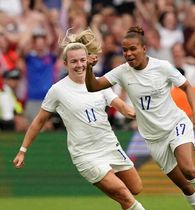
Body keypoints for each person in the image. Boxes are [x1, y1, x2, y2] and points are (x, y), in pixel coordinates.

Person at [85, 26, 195, 210]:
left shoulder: (162, 67)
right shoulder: (122, 72)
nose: (128, 53)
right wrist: (89, 68)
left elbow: (187, 86)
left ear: (144, 48)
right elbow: (93, 86)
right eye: (125, 50)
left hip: (175, 125)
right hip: (153, 139)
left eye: (133, 48)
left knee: (188, 169)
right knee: (186, 186)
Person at [13, 29, 145, 210]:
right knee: (124, 194)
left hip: (109, 145)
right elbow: (39, 121)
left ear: (88, 60)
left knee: (135, 188)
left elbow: (121, 106)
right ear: (66, 63)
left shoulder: (98, 83)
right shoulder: (58, 90)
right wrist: (23, 149)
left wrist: (139, 114)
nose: (79, 65)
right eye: (74, 61)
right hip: (86, 155)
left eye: (82, 60)